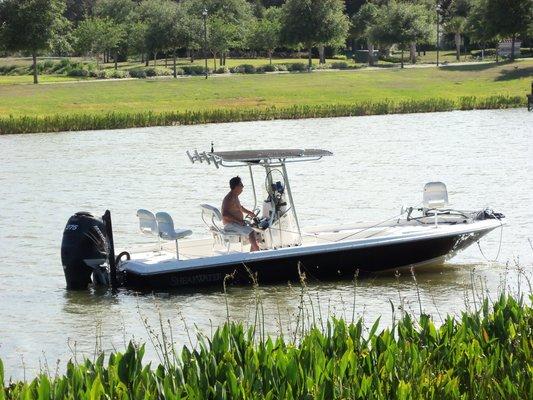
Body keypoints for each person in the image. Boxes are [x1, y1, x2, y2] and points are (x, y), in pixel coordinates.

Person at [221, 176, 260, 251]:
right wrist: (239, 221)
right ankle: (258, 251)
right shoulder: (229, 198)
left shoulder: (235, 196)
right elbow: (225, 214)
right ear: (236, 187)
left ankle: (254, 253)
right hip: (230, 225)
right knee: (251, 232)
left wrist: (250, 213)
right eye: (241, 185)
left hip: (235, 223)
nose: (243, 187)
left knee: (254, 232)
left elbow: (239, 208)